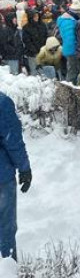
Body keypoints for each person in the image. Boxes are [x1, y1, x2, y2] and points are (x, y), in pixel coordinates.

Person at [0, 92, 32, 260]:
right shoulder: (2, 103)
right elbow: (13, 141)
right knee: (5, 228)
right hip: (2, 178)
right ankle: (8, 272)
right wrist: (24, 168)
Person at [57, 0, 80, 83]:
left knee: (71, 69)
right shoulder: (73, 22)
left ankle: (69, 86)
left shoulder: (62, 19)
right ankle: (70, 89)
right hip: (73, 49)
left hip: (66, 48)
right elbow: (73, 38)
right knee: (73, 71)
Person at [22, 9, 47, 75]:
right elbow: (27, 41)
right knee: (34, 71)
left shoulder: (42, 25)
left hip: (42, 52)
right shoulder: (26, 27)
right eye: (34, 16)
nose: (37, 17)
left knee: (43, 71)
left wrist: (44, 48)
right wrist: (35, 51)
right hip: (32, 53)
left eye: (37, 16)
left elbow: (46, 37)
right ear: (31, 17)